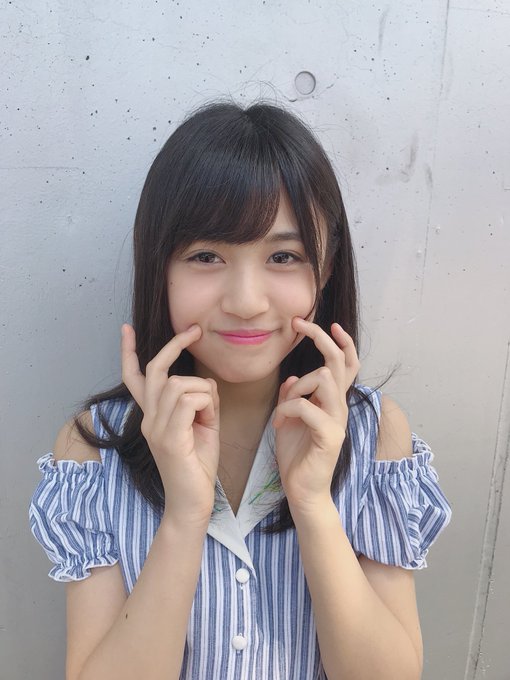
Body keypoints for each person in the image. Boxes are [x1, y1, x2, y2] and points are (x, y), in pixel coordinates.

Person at [29, 99, 451, 680]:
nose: (247, 301)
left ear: (326, 269)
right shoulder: (92, 450)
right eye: (206, 256)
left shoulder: (376, 435)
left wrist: (312, 504)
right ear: (160, 268)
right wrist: (184, 515)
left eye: (284, 256)